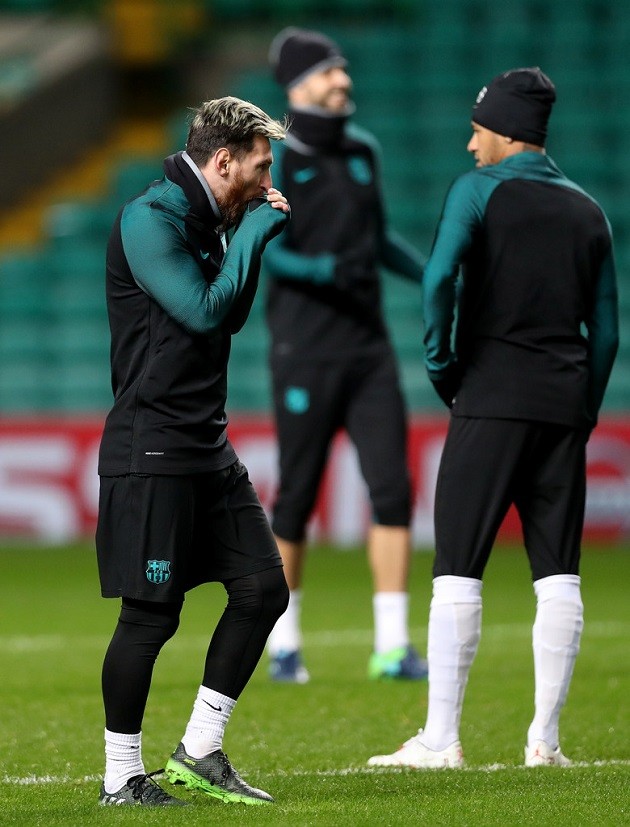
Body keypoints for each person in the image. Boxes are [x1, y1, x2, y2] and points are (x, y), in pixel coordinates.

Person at [368, 68, 619, 769]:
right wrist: (585, 405)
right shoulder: (589, 210)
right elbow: (605, 330)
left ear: (506, 130)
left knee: (458, 568)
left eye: (479, 127)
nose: (470, 141)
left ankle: (441, 738)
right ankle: (546, 740)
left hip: (490, 396)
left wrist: (444, 366)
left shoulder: (476, 191)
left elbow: (438, 277)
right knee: (559, 574)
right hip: (562, 404)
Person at [95, 97, 291, 807]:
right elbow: (205, 309)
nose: (269, 178)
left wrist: (252, 235)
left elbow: (226, 313)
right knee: (151, 615)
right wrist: (258, 232)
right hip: (151, 449)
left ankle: (200, 748)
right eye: (261, 165)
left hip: (204, 445)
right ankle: (121, 776)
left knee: (264, 589)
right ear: (223, 161)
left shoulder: (215, 218)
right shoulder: (151, 217)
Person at [264, 27, 428, 684]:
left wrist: (433, 272)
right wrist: (320, 268)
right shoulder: (276, 156)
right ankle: (283, 642)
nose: (344, 82)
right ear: (299, 85)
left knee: (393, 487)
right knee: (297, 496)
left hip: (368, 348)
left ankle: (391, 645)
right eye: (331, 73)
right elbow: (265, 247)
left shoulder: (364, 151)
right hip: (304, 349)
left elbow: (379, 236)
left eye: (343, 71)